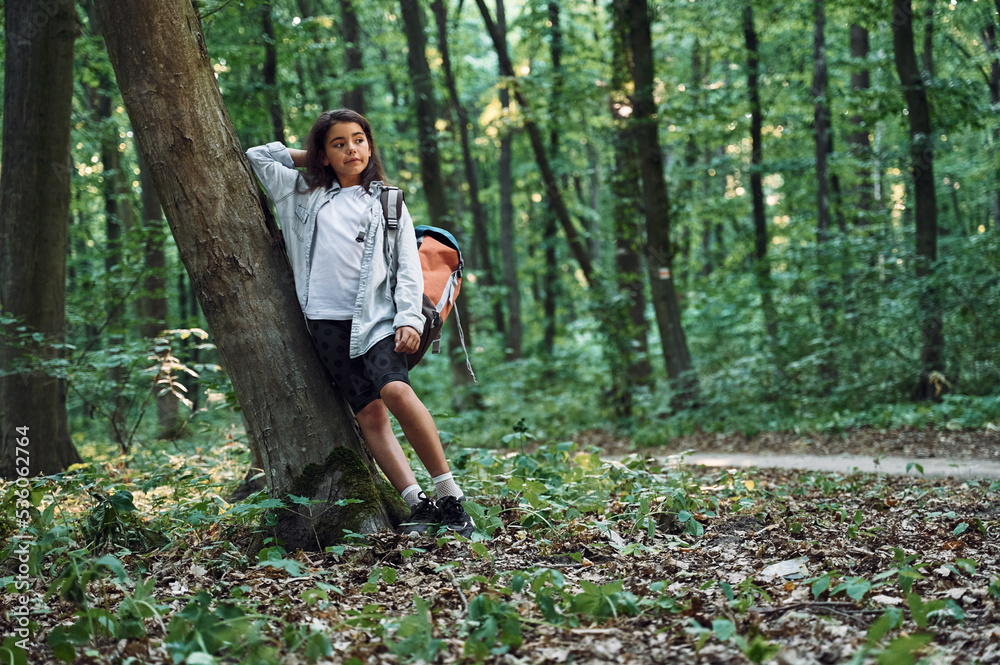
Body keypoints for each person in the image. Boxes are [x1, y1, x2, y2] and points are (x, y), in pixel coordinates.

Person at [246, 109, 474, 538]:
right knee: (369, 414)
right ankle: (416, 504)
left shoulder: (388, 201)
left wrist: (408, 317)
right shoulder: (300, 193)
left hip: (379, 318)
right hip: (323, 323)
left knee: (395, 391)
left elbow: (407, 266)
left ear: (370, 145)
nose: (352, 149)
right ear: (323, 153)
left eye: (359, 140)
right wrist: (312, 158)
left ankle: (451, 497)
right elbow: (258, 155)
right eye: (339, 143)